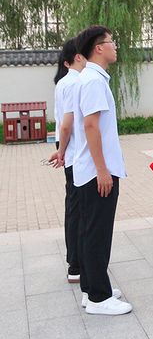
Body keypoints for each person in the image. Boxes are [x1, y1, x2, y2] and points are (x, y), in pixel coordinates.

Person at [72, 25, 131, 315]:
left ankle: (91, 288)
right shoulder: (93, 81)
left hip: (90, 170)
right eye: (111, 41)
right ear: (98, 48)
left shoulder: (90, 78)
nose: (115, 46)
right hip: (97, 171)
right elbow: (91, 125)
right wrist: (102, 170)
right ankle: (99, 297)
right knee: (98, 233)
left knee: (89, 231)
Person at [48, 38, 86, 284]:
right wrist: (62, 151)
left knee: (74, 207)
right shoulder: (74, 83)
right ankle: (76, 264)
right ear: (77, 57)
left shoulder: (64, 82)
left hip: (68, 148)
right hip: (73, 151)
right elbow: (67, 124)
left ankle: (76, 261)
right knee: (77, 209)